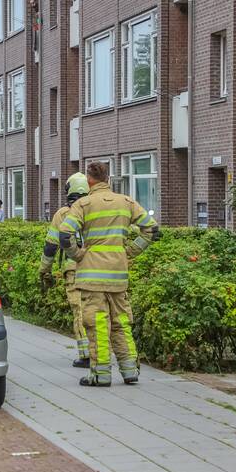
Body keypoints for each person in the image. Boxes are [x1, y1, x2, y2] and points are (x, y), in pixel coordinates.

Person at [59, 162, 158, 386]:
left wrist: (78, 255)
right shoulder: (126, 202)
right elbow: (152, 229)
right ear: (108, 179)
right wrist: (129, 251)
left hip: (92, 276)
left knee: (97, 324)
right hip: (118, 274)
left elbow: (65, 235)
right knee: (122, 322)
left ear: (89, 180)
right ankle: (130, 370)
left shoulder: (83, 204)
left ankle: (100, 374)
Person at [40, 173, 90, 367]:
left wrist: (44, 270)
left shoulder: (62, 214)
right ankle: (101, 352)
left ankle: (86, 355)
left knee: (80, 310)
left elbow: (51, 246)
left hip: (73, 269)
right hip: (97, 267)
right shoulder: (96, 209)